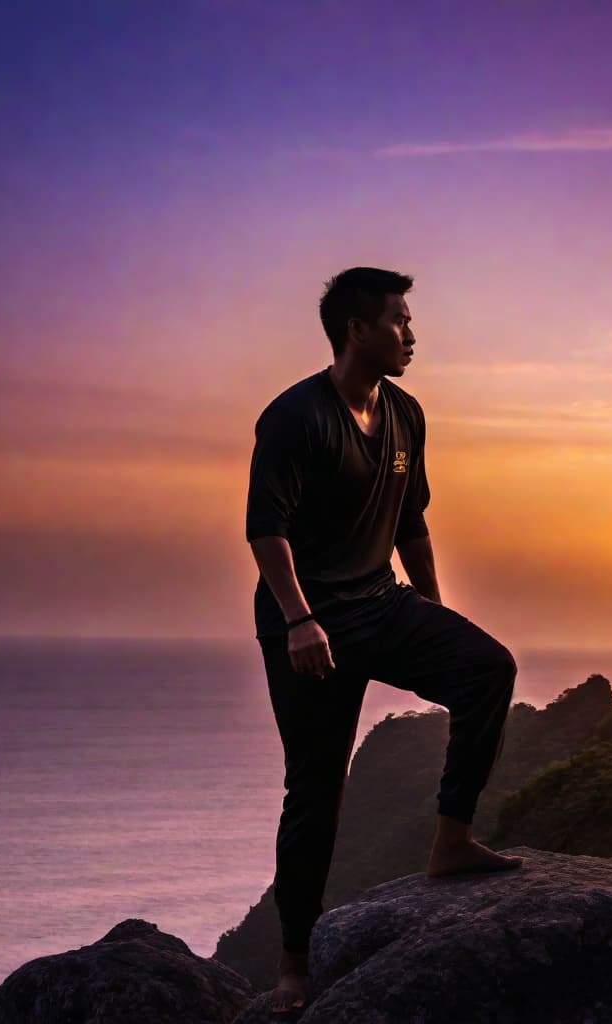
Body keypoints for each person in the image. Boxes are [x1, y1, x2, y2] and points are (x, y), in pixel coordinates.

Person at [245, 266, 523, 1016]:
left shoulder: (405, 413)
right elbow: (264, 529)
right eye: (400, 320)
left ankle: (452, 841)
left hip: (383, 603)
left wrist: (434, 612)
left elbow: (412, 523)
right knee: (316, 794)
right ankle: (294, 968)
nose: (412, 334)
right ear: (357, 330)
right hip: (308, 626)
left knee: (488, 668)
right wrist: (300, 620)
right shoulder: (295, 417)